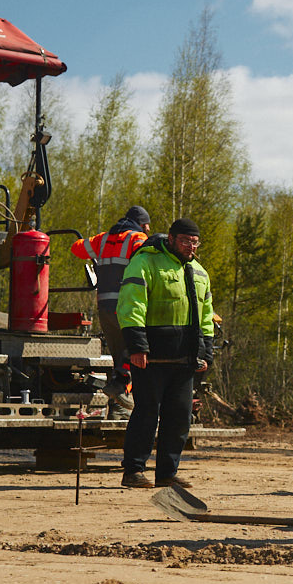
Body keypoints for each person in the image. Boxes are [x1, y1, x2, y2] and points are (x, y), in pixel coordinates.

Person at [116, 217, 214, 489]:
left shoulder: (200, 272)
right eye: (185, 241)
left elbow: (206, 316)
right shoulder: (145, 261)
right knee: (146, 414)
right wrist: (137, 347)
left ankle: (167, 474)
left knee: (179, 418)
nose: (190, 247)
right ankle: (133, 471)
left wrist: (206, 352)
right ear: (171, 239)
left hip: (185, 360)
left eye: (195, 242)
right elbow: (131, 306)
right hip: (151, 358)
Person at [71, 205, 152, 415]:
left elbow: (76, 248)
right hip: (127, 305)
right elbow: (148, 258)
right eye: (147, 225)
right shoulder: (138, 238)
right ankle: (121, 392)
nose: (148, 229)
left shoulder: (103, 239)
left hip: (105, 307)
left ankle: (118, 409)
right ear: (142, 224)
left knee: (119, 356)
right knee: (137, 350)